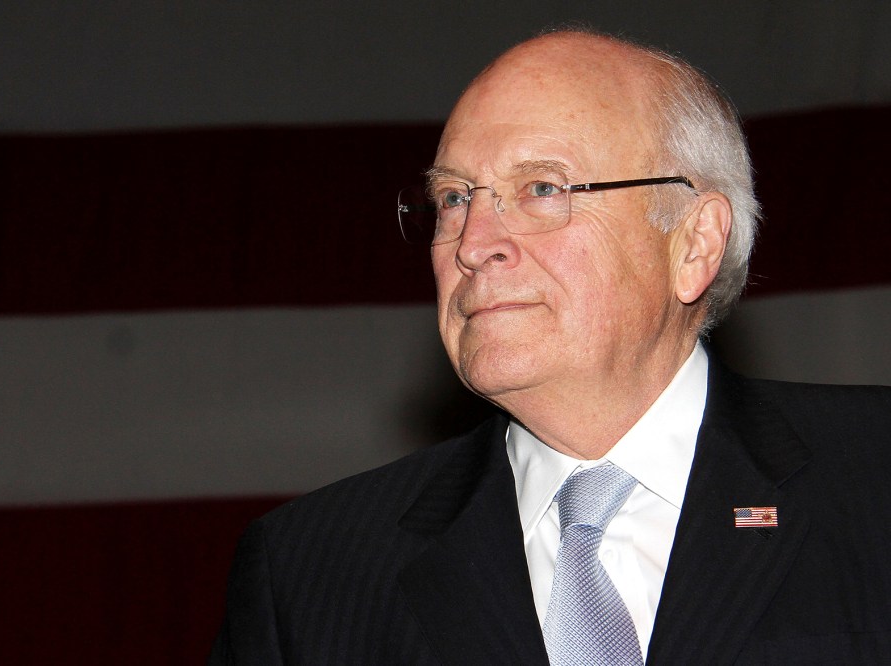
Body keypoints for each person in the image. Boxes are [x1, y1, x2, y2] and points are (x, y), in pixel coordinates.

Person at [209, 29, 891, 665]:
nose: (472, 244)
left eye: (541, 188)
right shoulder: (307, 572)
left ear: (694, 243)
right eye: (452, 199)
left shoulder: (870, 481)